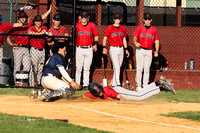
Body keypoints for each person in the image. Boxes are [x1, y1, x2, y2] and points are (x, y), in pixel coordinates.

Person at [7, 8, 52, 86]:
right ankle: (16, 83)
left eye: (24, 17)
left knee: (27, 67)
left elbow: (40, 18)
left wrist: (48, 11)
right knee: (17, 66)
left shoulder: (28, 25)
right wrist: (12, 45)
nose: (23, 19)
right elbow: (7, 37)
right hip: (18, 48)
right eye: (21, 18)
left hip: (26, 48)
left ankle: (23, 82)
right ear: (19, 19)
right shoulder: (16, 27)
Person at [84, 76, 176, 101]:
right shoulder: (91, 93)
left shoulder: (108, 90)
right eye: (98, 93)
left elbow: (121, 98)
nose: (100, 93)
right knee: (139, 93)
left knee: (140, 96)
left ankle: (161, 88)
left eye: (100, 91)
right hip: (117, 91)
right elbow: (83, 96)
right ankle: (157, 83)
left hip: (119, 92)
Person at [133, 13, 160, 91]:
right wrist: (135, 43)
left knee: (147, 68)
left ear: (151, 20)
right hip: (140, 50)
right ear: (143, 20)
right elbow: (135, 37)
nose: (147, 21)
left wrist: (156, 51)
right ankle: (138, 85)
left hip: (149, 50)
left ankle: (145, 85)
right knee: (139, 68)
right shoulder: (140, 28)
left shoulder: (154, 29)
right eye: (146, 19)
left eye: (148, 19)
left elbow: (157, 41)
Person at [102, 13, 130, 87]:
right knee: (117, 67)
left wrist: (126, 49)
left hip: (121, 48)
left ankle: (114, 84)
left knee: (117, 67)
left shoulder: (123, 28)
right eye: (116, 19)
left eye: (118, 19)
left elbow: (124, 39)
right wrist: (104, 47)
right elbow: (105, 38)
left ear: (120, 19)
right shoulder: (109, 27)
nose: (117, 20)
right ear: (113, 20)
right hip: (113, 48)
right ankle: (118, 84)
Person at [75, 11, 98, 90]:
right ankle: (77, 84)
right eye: (82, 17)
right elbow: (73, 35)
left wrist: (95, 44)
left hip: (89, 48)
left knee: (87, 68)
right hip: (79, 48)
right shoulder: (77, 26)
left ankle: (85, 84)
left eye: (85, 17)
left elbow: (96, 36)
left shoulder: (92, 25)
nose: (84, 19)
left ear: (88, 18)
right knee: (78, 68)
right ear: (80, 18)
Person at [27, 15, 49, 87]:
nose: (38, 23)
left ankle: (38, 83)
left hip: (42, 50)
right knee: (34, 68)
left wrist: (46, 33)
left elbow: (48, 34)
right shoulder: (32, 28)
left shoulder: (44, 28)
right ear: (34, 22)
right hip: (34, 50)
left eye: (39, 21)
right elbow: (29, 32)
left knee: (41, 67)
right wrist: (40, 33)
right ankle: (32, 83)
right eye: (37, 21)